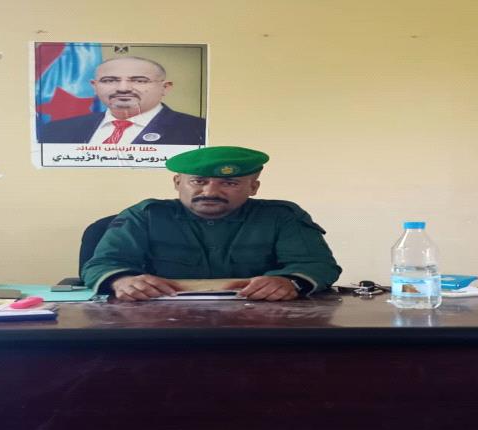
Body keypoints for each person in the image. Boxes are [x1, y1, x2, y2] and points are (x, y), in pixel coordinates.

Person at [81, 146, 342, 301]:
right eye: (198, 181)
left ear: (253, 187)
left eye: (229, 183)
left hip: (260, 323)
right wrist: (121, 281)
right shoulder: (146, 215)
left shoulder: (282, 216)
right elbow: (101, 265)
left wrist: (289, 282)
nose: (210, 191)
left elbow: (317, 265)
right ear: (177, 183)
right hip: (155, 326)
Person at [38, 56, 206, 145]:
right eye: (110, 80)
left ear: (165, 88)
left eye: (139, 81)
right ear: (94, 86)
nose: (123, 88)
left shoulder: (199, 130)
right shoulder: (55, 130)